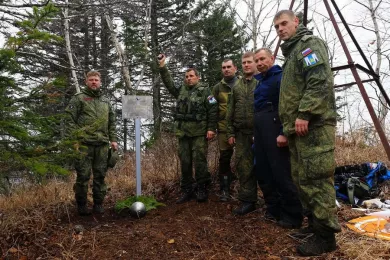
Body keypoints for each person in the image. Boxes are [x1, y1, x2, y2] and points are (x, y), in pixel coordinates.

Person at [274, 10, 341, 256]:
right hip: (298, 130)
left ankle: (326, 238)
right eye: (277, 26)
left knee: (317, 180)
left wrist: (305, 113)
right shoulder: (291, 54)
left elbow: (320, 80)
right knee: (303, 180)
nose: (280, 29)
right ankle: (314, 225)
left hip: (313, 126)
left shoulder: (308, 45)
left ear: (296, 22)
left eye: (284, 24)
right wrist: (288, 126)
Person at [158, 54, 217, 204]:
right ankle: (187, 189)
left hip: (199, 132)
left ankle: (202, 187)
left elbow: (213, 109)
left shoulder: (205, 91)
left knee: (199, 161)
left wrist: (211, 128)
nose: (188, 78)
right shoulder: (181, 90)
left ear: (198, 77)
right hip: (183, 132)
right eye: (186, 76)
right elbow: (169, 84)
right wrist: (163, 67)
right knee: (185, 161)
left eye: (191, 76)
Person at [253, 48, 303, 228]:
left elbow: (289, 105)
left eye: (262, 59)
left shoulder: (280, 77)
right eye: (256, 60)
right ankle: (273, 209)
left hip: (275, 124)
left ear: (272, 58)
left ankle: (293, 215)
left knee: (281, 171)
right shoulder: (259, 81)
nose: (259, 63)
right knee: (263, 169)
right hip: (260, 126)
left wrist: (283, 131)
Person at [65, 70, 118, 216]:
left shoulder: (105, 100)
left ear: (100, 82)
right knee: (83, 176)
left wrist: (113, 139)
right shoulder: (79, 99)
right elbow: (69, 120)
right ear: (86, 82)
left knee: (100, 175)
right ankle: (81, 205)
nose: (94, 82)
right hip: (83, 145)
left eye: (96, 80)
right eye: (91, 80)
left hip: (101, 144)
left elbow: (112, 121)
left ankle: (98, 204)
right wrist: (75, 140)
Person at [226, 52, 258, 215]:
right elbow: (230, 111)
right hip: (241, 134)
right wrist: (230, 132)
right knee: (244, 167)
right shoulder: (237, 86)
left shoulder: (261, 82)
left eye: (249, 62)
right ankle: (248, 201)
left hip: (259, 134)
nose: (246, 65)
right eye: (244, 62)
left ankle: (274, 202)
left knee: (265, 167)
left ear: (255, 64)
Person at [212, 59, 239, 202]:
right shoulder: (217, 88)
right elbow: (212, 109)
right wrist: (211, 127)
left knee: (244, 159)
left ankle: (245, 190)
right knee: (224, 159)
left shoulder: (242, 84)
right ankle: (224, 189)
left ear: (235, 68)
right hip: (223, 129)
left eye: (229, 67)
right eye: (224, 67)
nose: (226, 69)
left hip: (241, 128)